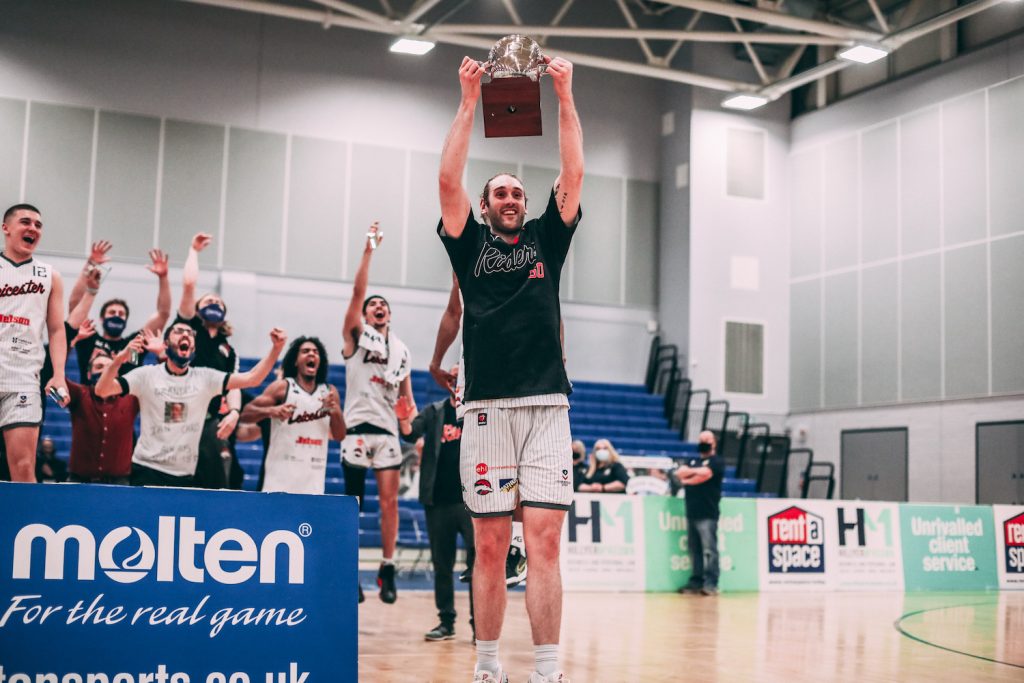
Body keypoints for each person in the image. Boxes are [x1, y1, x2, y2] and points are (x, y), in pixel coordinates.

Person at [438, 51, 583, 683]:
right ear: (485, 203)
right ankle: (488, 665)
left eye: (519, 193)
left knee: (546, 543)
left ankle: (547, 670)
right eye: (500, 191)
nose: (511, 198)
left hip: (548, 406)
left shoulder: (548, 239)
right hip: (489, 407)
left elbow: (573, 170)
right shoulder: (468, 244)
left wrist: (564, 95)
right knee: (492, 545)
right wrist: (469, 101)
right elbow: (447, 182)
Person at [94, 322, 287, 487]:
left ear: (193, 349)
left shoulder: (205, 378)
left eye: (190, 333)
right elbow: (102, 390)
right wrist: (119, 359)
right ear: (166, 344)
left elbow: (252, 379)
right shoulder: (146, 375)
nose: (186, 334)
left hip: (184, 475)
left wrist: (276, 349)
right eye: (179, 331)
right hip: (146, 469)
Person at [340, 223, 413, 605]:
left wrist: (406, 417)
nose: (378, 306)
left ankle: (387, 567)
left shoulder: (401, 353)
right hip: (356, 429)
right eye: (373, 305)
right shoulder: (355, 338)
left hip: (387, 434)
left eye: (384, 304)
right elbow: (357, 292)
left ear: (390, 314)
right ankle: (348, 572)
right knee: (352, 507)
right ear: (366, 314)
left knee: (390, 503)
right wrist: (368, 251)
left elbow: (407, 407)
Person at [395, 366, 475, 643]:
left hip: (473, 504)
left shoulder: (478, 411)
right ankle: (446, 622)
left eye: (459, 376)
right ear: (446, 382)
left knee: (479, 565)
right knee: (443, 565)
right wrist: (405, 421)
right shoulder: (435, 411)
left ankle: (482, 626)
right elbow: (410, 433)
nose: (455, 381)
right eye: (451, 377)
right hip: (438, 502)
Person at [0, 203, 69, 482]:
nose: (33, 228)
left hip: (23, 379)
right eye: (26, 222)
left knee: (25, 467)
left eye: (38, 225)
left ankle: (22, 525)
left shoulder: (49, 275)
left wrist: (60, 375)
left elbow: (56, 330)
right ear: (6, 228)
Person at [176, 233, 243, 489]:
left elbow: (234, 385)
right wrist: (193, 251)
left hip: (210, 421)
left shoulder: (229, 350)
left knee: (213, 483)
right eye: (209, 300)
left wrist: (235, 412)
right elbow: (189, 285)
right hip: (180, 415)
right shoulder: (188, 328)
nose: (214, 302)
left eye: (218, 301)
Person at [240, 336, 346, 494]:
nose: (311, 354)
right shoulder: (281, 388)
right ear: (295, 361)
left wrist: (335, 410)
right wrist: (272, 411)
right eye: (305, 351)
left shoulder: (329, 393)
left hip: (312, 482)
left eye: (315, 352)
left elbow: (340, 435)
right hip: (279, 480)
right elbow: (245, 414)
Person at [68, 241, 171, 378]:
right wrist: (90, 265)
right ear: (102, 318)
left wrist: (163, 278)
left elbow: (163, 314)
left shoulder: (135, 343)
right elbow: (75, 304)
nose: (116, 316)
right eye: (112, 312)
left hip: (124, 398)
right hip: (90, 397)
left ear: (126, 320)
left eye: (121, 314)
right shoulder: (87, 336)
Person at [65, 351, 139, 485]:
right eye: (99, 367)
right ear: (88, 374)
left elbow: (157, 384)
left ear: (116, 375)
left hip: (119, 483)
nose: (104, 372)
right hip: (79, 481)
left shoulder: (131, 400)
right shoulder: (80, 394)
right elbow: (56, 377)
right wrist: (69, 342)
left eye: (109, 368)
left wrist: (161, 355)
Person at [675, 430, 724, 596]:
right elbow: (679, 473)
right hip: (692, 511)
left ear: (714, 443)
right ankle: (696, 582)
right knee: (694, 550)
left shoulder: (717, 461)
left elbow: (705, 475)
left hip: (708, 513)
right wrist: (692, 474)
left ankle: (711, 583)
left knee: (709, 550)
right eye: (701, 439)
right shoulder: (693, 460)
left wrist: (689, 478)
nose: (703, 442)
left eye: (707, 439)